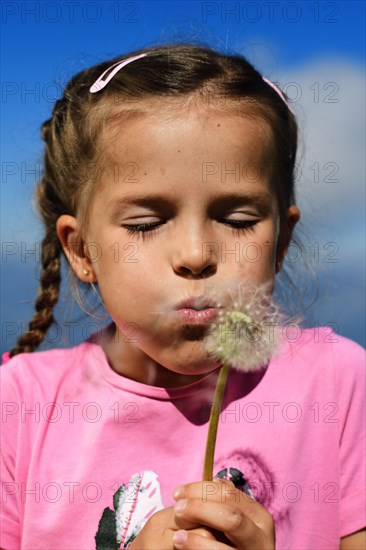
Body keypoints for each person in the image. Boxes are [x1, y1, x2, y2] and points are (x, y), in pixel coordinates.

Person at [0, 43, 364, 550]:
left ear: (281, 241)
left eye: (238, 220)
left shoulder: (341, 387)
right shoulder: (17, 409)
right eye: (146, 223)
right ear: (82, 249)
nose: (195, 255)